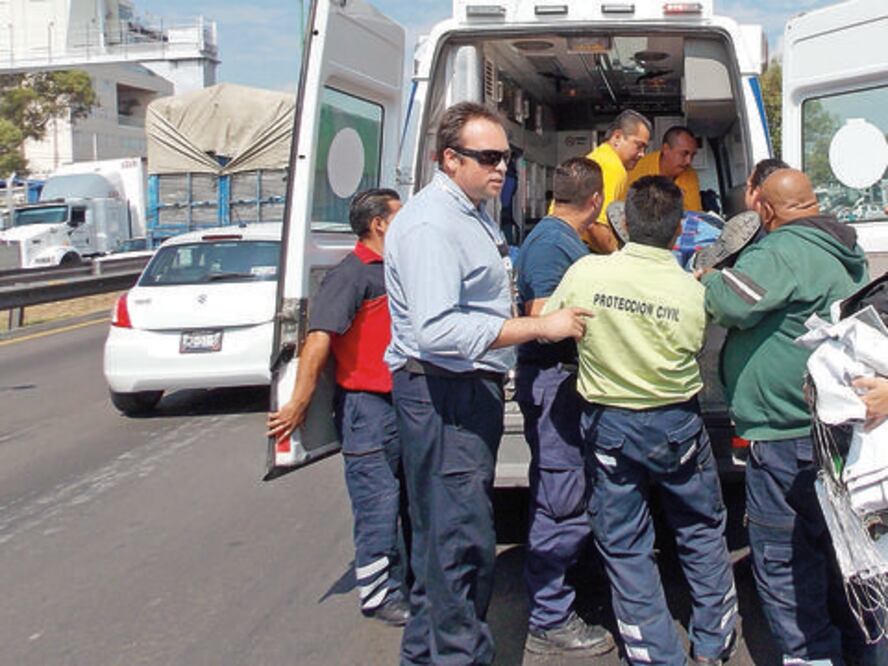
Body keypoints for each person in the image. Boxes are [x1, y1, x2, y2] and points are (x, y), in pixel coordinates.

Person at [384, 101, 592, 666]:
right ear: (450, 159)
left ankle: (426, 655)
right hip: (442, 394)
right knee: (460, 548)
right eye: (489, 157)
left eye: (507, 157)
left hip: (459, 393)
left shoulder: (473, 210)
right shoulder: (432, 224)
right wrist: (539, 325)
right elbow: (436, 330)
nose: (502, 168)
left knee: (441, 545)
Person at [544, 175, 738, 665]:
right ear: (679, 234)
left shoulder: (587, 272)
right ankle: (713, 645)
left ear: (624, 224)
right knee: (698, 528)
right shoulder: (690, 291)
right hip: (676, 425)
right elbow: (695, 346)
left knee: (626, 543)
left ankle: (655, 654)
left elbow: (550, 326)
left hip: (610, 425)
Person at [700, 168, 870, 663]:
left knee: (786, 558)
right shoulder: (840, 245)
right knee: (842, 556)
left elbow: (733, 302)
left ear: (767, 211)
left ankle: (810, 655)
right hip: (831, 427)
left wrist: (712, 278)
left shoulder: (781, 250)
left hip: (784, 431)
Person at [266, 188, 410, 626]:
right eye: (398, 215)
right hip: (367, 410)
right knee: (378, 502)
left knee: (406, 500)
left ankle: (404, 580)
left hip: (399, 404)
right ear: (379, 224)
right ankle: (378, 593)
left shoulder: (393, 270)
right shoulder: (351, 276)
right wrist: (298, 403)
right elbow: (319, 341)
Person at [514, 157, 613, 657]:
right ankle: (549, 615)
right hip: (553, 380)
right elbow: (540, 314)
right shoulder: (552, 244)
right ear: (594, 201)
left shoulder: (560, 237)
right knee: (560, 496)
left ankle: (570, 584)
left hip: (562, 381)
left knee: (566, 487)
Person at [550, 109, 651, 254]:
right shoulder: (613, 166)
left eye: (645, 148)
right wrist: (618, 260)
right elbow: (596, 226)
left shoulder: (599, 157)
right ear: (617, 137)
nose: (642, 154)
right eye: (639, 146)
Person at [626, 125, 702, 212]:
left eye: (693, 155)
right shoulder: (638, 168)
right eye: (684, 153)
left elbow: (694, 215)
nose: (689, 161)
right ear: (666, 149)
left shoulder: (690, 173)